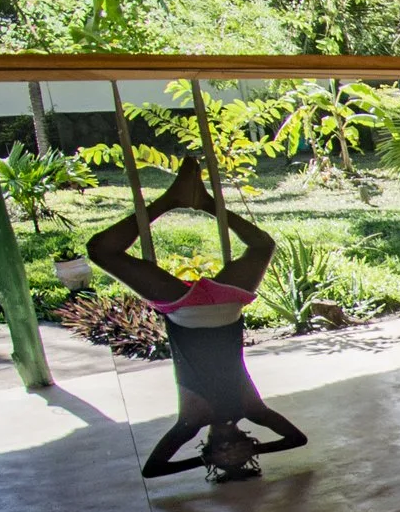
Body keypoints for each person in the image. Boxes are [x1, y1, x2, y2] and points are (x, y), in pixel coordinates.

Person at [85, 162, 308, 481]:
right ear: (247, 440)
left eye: (223, 454)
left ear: (210, 449)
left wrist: (206, 460)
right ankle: (200, 202)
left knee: (101, 250)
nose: (230, 450)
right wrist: (252, 451)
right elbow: (297, 439)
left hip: (205, 310)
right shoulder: (251, 410)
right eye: (239, 453)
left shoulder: (191, 424)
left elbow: (153, 470)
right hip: (214, 308)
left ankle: (177, 200)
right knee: (262, 246)